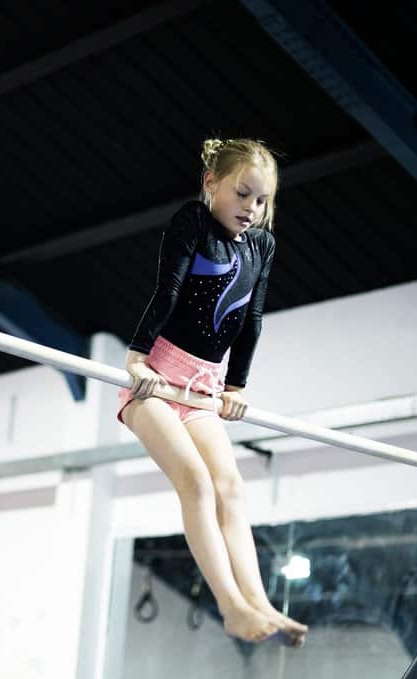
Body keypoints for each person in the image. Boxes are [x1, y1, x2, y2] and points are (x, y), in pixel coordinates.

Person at [117, 138, 307, 646]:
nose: (252, 208)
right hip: (154, 383)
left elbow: (252, 319)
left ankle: (259, 602)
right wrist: (137, 358)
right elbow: (169, 288)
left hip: (202, 387)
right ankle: (230, 606)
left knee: (231, 489)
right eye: (243, 194)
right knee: (197, 483)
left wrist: (236, 385)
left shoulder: (262, 246)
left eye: (262, 200)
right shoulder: (192, 223)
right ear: (210, 183)